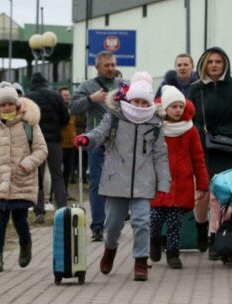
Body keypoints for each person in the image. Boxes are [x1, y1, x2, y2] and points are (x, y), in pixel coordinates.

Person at [75, 72, 171, 281]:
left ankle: (140, 261)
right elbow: (99, 133)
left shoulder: (155, 124)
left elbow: (161, 155)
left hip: (143, 181)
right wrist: (86, 138)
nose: (138, 104)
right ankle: (110, 249)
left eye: (143, 102)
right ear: (128, 99)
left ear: (149, 103)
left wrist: (164, 182)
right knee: (113, 224)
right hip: (116, 178)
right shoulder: (114, 117)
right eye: (135, 100)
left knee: (141, 220)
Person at [188, 47, 232, 259]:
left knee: (219, 196)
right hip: (200, 147)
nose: (214, 65)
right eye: (210, 61)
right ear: (204, 64)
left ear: (225, 65)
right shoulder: (195, 89)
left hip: (226, 148)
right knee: (202, 195)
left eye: (219, 62)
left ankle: (216, 238)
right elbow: (188, 118)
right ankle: (200, 227)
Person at [0, 83, 48, 273]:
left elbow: (41, 150)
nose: (7, 108)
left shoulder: (29, 124)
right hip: (0, 180)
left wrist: (27, 164)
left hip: (21, 179)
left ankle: (25, 244)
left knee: (19, 219)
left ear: (17, 104)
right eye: (3, 105)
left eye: (10, 103)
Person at [149, 85, 209, 269]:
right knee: (155, 219)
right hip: (159, 182)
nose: (177, 110)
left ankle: (173, 254)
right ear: (165, 108)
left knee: (175, 223)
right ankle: (154, 240)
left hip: (182, 182)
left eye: (180, 107)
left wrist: (202, 184)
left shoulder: (189, 130)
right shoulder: (155, 128)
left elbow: (198, 158)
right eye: (173, 106)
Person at [70, 51, 123, 241]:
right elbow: (73, 107)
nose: (111, 68)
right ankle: (98, 226)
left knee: (119, 182)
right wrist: (90, 99)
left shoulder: (121, 85)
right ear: (98, 66)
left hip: (119, 140)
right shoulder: (87, 86)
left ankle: (117, 220)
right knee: (97, 183)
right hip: (96, 140)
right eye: (107, 65)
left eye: (113, 65)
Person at [25, 72, 70, 224]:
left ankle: (39, 212)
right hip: (54, 141)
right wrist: (57, 127)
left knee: (38, 176)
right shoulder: (56, 96)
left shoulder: (28, 97)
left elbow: (24, 120)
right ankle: (62, 209)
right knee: (58, 175)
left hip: (36, 142)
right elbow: (66, 118)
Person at [59, 86, 76, 200]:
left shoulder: (72, 108)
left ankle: (65, 192)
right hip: (60, 144)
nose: (67, 97)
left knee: (68, 170)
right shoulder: (58, 108)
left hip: (71, 144)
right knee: (57, 171)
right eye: (65, 95)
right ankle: (54, 194)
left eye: (68, 95)